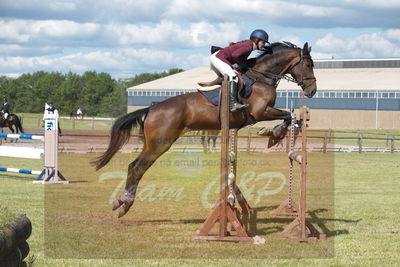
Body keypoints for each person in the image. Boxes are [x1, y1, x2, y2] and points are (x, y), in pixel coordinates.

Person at [210, 29, 269, 112]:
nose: (264, 45)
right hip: (218, 59)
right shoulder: (248, 46)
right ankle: (233, 104)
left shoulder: (249, 46)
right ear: (257, 40)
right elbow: (235, 55)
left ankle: (222, 101)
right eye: (263, 42)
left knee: (227, 79)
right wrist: (232, 67)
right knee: (233, 77)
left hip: (217, 58)